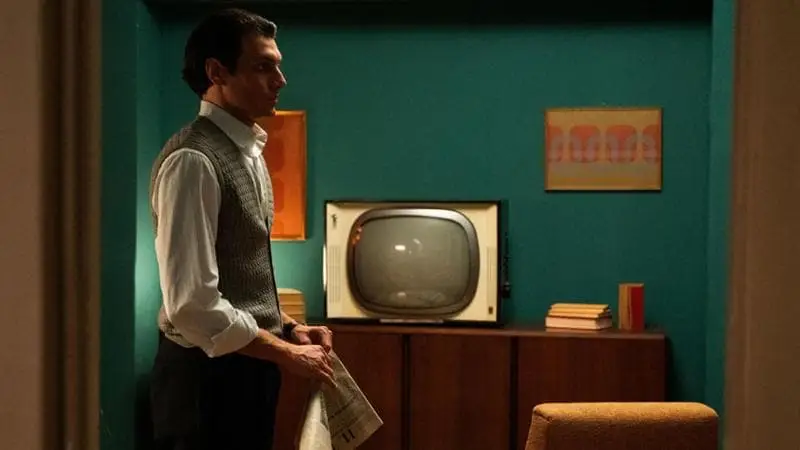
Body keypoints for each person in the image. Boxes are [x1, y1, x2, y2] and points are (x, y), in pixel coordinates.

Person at [148, 8, 335, 450]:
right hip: (205, 384)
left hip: (245, 369)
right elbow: (192, 305)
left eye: (278, 66)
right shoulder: (193, 160)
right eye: (263, 67)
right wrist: (286, 352)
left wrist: (288, 326)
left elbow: (241, 281)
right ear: (217, 72)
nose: (280, 80)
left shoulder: (248, 150)